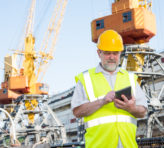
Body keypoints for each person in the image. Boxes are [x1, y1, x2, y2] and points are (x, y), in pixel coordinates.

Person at [71, 30, 147, 148]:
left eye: (115, 53)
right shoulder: (85, 79)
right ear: (99, 53)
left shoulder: (131, 78)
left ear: (120, 53)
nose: (111, 57)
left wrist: (131, 108)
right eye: (107, 53)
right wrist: (102, 101)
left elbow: (143, 111)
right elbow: (77, 111)